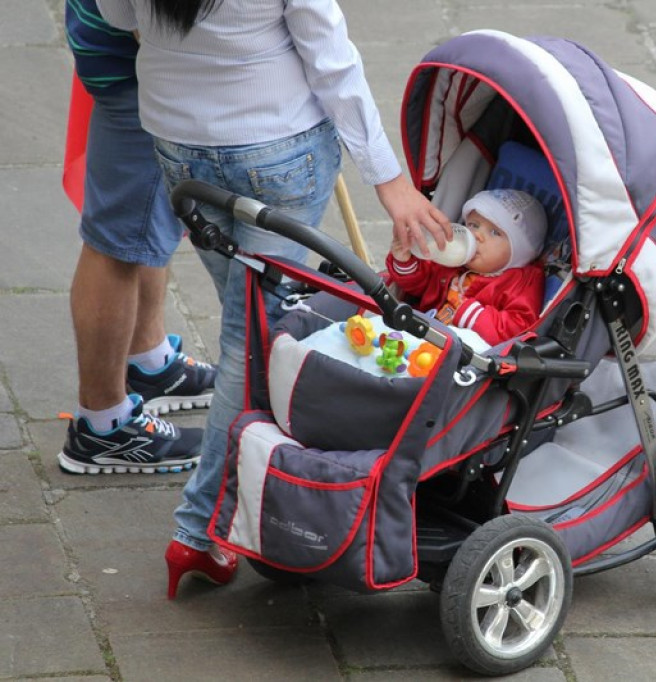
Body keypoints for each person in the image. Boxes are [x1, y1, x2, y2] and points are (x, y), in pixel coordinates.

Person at [94, 0, 451, 598]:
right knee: (248, 341)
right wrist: (390, 182)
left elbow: (113, 13)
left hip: (177, 142)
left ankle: (260, 476)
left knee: (249, 326)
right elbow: (332, 61)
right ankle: (201, 529)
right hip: (273, 150)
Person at [58, 0, 217, 476]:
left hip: (140, 48)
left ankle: (148, 364)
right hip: (140, 54)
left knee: (146, 220)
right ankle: (103, 426)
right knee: (118, 243)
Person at [386, 189, 548, 345]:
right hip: (421, 330)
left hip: (463, 354)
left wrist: (472, 313)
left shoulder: (520, 282)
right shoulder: (454, 261)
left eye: (495, 233)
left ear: (519, 252)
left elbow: (517, 328)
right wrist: (405, 261)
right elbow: (419, 285)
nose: (477, 235)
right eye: (474, 225)